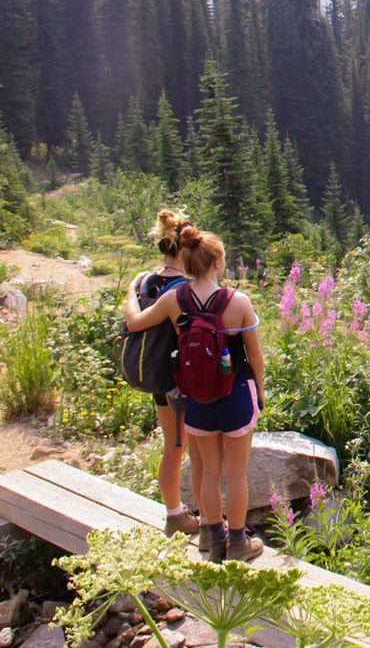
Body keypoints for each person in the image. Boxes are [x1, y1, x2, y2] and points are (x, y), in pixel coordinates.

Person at [125, 227, 266, 563]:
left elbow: (134, 324)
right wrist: (259, 390)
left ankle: (211, 540)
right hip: (234, 396)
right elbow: (255, 356)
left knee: (207, 471)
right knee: (235, 475)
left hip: (196, 399)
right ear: (218, 262)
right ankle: (238, 544)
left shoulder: (174, 299)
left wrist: (131, 291)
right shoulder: (238, 303)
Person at [140, 209, 201, 538]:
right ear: (184, 248)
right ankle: (188, 518)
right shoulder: (183, 290)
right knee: (191, 449)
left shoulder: (147, 281)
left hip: (158, 375)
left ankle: (175, 511)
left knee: (172, 447)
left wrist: (128, 299)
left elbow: (135, 323)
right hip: (183, 380)